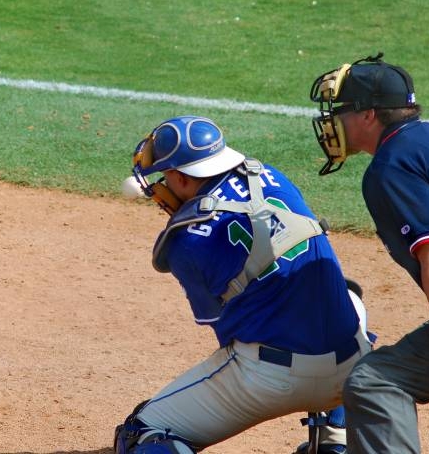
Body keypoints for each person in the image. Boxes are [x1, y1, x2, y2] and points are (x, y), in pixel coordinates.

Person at [114, 115, 373, 454]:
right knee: (348, 294)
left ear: (180, 177)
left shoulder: (184, 242)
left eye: (164, 176)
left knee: (140, 433)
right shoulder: (271, 176)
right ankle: (336, 437)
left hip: (271, 379)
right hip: (354, 365)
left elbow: (227, 332)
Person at [310, 53, 429, 453]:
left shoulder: (391, 167)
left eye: (340, 111)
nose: (333, 121)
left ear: (367, 115)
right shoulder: (423, 140)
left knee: (374, 381)